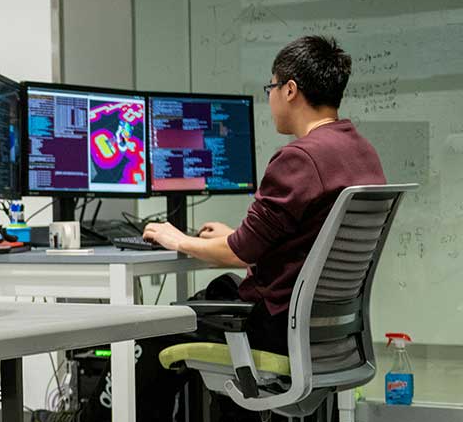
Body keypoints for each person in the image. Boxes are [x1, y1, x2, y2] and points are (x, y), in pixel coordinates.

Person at [143, 35, 386, 354]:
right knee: (217, 291)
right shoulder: (363, 152)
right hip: (332, 331)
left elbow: (238, 254)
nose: (270, 98)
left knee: (152, 333)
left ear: (290, 90)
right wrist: (238, 236)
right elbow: (309, 242)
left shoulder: (300, 158)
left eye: (271, 88)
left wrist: (178, 240)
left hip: (277, 327)